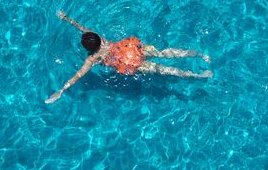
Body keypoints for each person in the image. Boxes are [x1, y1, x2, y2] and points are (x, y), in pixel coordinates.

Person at [45, 11, 212, 104]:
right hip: (131, 48)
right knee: (163, 52)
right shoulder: (99, 38)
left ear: (88, 48)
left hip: (129, 63)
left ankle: (197, 75)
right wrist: (67, 18)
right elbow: (82, 28)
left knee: (165, 70)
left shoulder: (92, 59)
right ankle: (199, 54)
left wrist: (61, 90)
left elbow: (78, 75)